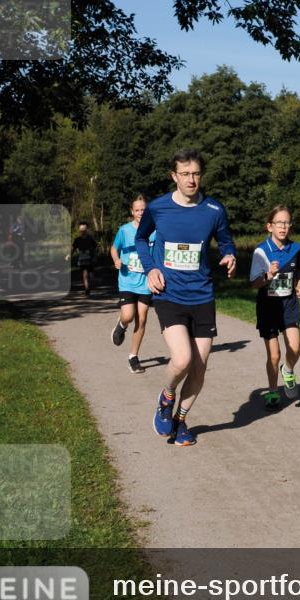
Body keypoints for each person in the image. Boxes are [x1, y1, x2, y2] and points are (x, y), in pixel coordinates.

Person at [135, 148, 236, 446]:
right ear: (174, 176)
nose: (191, 180)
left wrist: (230, 255)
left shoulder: (214, 210)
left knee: (199, 370)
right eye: (185, 174)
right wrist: (151, 268)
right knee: (182, 359)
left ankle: (180, 421)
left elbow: (226, 241)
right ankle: (166, 398)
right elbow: (141, 238)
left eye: (196, 174)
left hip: (202, 295)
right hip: (169, 294)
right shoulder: (158, 208)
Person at [249, 205, 300, 408]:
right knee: (274, 355)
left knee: (295, 348)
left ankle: (288, 370)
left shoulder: (297, 249)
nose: (283, 227)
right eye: (279, 223)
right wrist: (269, 275)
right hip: (268, 307)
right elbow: (254, 283)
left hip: (289, 304)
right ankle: (273, 392)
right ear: (270, 226)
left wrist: (299, 287)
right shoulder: (261, 251)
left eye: (287, 223)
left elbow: (298, 272)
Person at [110, 195, 155, 374]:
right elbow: (114, 248)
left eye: (143, 209)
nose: (140, 213)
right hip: (127, 280)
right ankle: (121, 325)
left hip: (145, 282)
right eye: (137, 210)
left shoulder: (154, 230)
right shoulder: (125, 230)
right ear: (132, 212)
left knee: (142, 318)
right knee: (128, 315)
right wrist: (116, 260)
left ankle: (133, 357)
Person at [72, 221, 97, 296]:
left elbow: (95, 247)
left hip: (90, 259)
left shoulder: (90, 239)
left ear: (86, 230)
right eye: (81, 230)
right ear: (79, 230)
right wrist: (69, 255)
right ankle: (87, 289)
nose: (82, 231)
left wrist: (94, 255)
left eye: (84, 230)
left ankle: (90, 284)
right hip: (82, 259)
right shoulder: (77, 240)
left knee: (91, 275)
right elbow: (73, 248)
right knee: (84, 274)